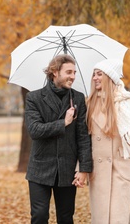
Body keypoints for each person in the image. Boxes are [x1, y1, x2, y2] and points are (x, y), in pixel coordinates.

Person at [24, 54, 93, 224]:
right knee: (39, 217)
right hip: (40, 169)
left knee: (66, 218)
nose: (73, 76)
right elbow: (34, 130)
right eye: (68, 72)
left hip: (67, 169)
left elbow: (83, 136)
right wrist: (64, 122)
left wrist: (84, 169)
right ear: (55, 72)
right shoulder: (34, 98)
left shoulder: (77, 98)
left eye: (74, 72)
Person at [82, 59, 130, 224]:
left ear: (110, 77)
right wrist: (80, 168)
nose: (95, 78)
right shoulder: (89, 104)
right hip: (99, 170)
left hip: (121, 166)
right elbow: (83, 140)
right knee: (101, 219)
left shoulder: (128, 101)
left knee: (118, 218)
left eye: (99, 74)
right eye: (94, 75)